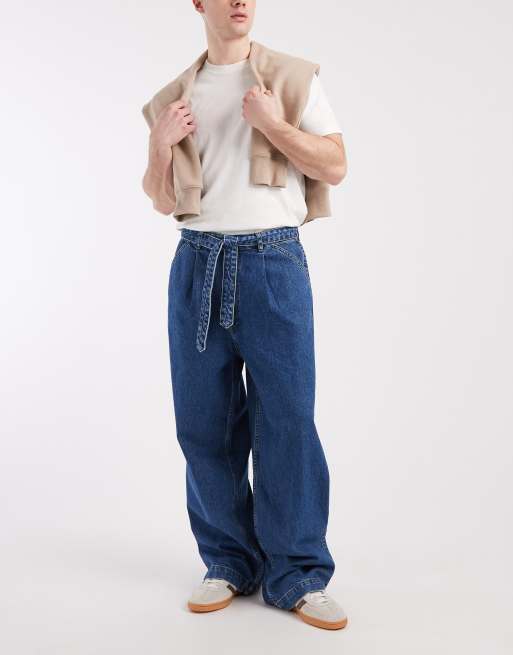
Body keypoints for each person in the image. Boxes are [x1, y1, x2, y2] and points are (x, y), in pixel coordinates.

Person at [141, 0, 348, 631]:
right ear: (198, 4)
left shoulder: (291, 78)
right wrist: (159, 144)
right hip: (196, 260)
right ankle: (228, 561)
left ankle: (298, 572)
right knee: (204, 424)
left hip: (272, 261)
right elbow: (161, 199)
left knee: (287, 420)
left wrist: (273, 124)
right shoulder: (174, 96)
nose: (240, 2)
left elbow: (334, 165)